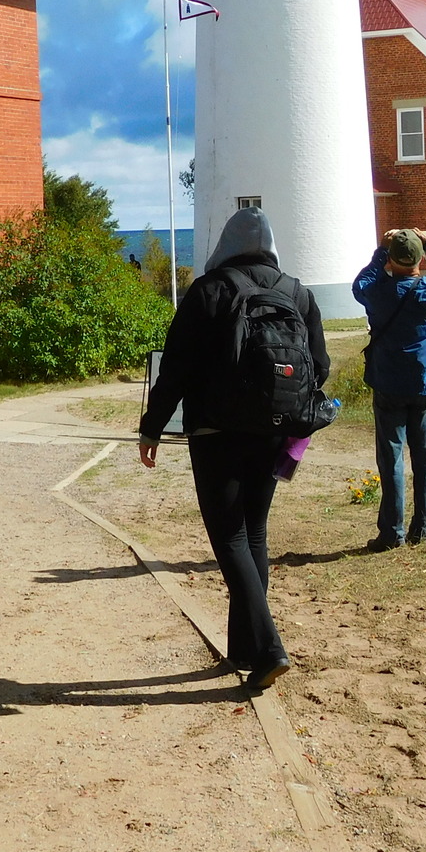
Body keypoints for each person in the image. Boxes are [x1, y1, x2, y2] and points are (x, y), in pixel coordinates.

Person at [138, 207, 327, 691]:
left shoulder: (209, 291)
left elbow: (175, 368)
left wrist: (152, 427)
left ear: (225, 243)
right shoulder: (297, 293)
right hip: (275, 431)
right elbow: (319, 367)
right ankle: (244, 647)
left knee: (231, 540)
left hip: (215, 434)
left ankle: (268, 648)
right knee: (255, 534)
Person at [353, 228, 426, 552]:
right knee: (424, 457)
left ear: (392, 260)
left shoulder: (378, 292)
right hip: (424, 383)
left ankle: (392, 532)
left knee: (390, 459)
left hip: (388, 382)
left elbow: (359, 285)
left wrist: (380, 252)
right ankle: (423, 528)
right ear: (420, 260)